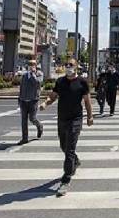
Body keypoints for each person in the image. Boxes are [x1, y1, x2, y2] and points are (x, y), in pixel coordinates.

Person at [39, 58, 93, 196]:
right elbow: (53, 96)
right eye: (66, 65)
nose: (68, 67)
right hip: (62, 118)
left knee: (69, 149)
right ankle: (75, 160)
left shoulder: (82, 82)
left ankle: (66, 179)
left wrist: (89, 116)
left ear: (76, 67)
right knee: (63, 146)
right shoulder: (60, 82)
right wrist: (46, 103)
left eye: (71, 65)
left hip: (76, 119)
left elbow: (87, 101)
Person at [17, 59, 44, 145]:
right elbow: (22, 87)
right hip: (23, 101)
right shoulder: (24, 75)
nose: (31, 65)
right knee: (23, 120)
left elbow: (37, 83)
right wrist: (19, 98)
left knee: (32, 119)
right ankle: (24, 138)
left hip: (33, 101)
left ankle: (39, 126)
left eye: (32, 64)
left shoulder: (39, 74)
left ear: (36, 65)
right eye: (29, 64)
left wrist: (32, 74)